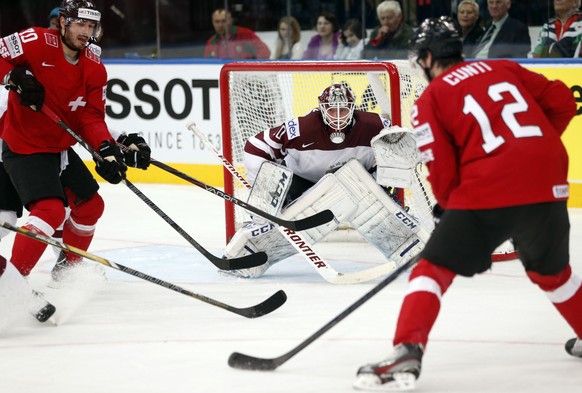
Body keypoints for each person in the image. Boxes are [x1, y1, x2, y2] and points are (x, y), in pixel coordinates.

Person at [353, 17, 581, 391]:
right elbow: (561, 102)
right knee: (550, 272)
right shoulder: (505, 67)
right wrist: (528, 152)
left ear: (427, 57)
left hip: (489, 188)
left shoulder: (431, 99)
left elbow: (442, 172)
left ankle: (407, 349)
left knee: (432, 268)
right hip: (548, 181)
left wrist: (451, 205)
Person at [0, 0, 147, 283]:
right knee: (49, 210)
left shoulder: (94, 65)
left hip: (59, 148)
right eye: (80, 23)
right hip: (25, 144)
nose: (86, 31)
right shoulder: (36, 40)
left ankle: (66, 270)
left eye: (91, 26)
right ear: (64, 23)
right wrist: (13, 74)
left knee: (92, 206)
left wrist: (105, 148)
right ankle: (14, 284)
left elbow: (91, 116)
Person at [223, 83, 427, 278]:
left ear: (352, 109)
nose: (338, 117)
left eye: (343, 111)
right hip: (301, 184)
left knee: (378, 203)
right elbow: (255, 146)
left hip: (358, 184)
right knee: (279, 220)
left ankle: (410, 248)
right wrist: (264, 192)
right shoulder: (301, 128)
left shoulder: (374, 125)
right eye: (332, 111)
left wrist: (380, 182)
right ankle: (249, 251)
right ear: (322, 109)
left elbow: (397, 151)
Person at [203, 8, 270, 59]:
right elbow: (207, 63)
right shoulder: (211, 42)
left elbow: (265, 52)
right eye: (217, 22)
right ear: (212, 22)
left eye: (224, 21)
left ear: (231, 21)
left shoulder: (245, 34)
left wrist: (250, 65)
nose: (220, 25)